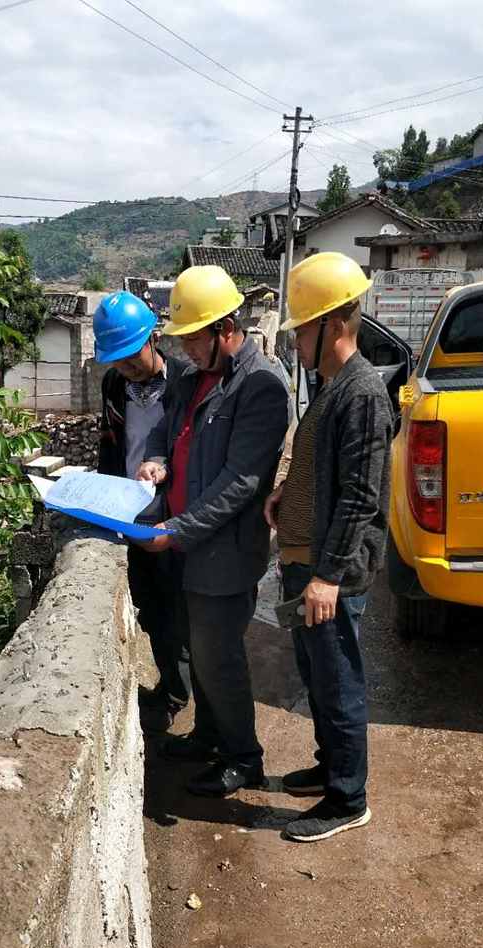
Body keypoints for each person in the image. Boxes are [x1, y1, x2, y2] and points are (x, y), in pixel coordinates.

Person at [135, 265, 290, 798]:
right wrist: (157, 461)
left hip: (221, 553)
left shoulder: (262, 386)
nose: (186, 349)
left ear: (225, 328)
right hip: (183, 546)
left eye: (193, 339)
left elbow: (240, 483)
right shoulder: (191, 377)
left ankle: (244, 757)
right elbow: (164, 430)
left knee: (219, 658)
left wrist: (178, 530)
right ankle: (207, 735)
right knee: (197, 652)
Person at [264, 251, 393, 842]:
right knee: (317, 676)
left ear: (334, 326)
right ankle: (330, 766)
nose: (295, 343)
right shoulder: (333, 387)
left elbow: (361, 495)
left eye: (301, 331)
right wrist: (285, 494)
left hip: (328, 573)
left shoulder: (362, 393)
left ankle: (348, 798)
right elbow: (320, 465)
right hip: (306, 562)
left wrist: (328, 577)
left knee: (338, 682)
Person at [93, 290, 191, 734]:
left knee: (178, 612)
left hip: (173, 516)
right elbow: (110, 444)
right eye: (118, 361)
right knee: (149, 609)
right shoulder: (114, 386)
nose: (128, 368)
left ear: (153, 339)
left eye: (132, 357)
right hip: (130, 515)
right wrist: (102, 498)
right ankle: (171, 685)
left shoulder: (185, 381)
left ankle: (178, 695)